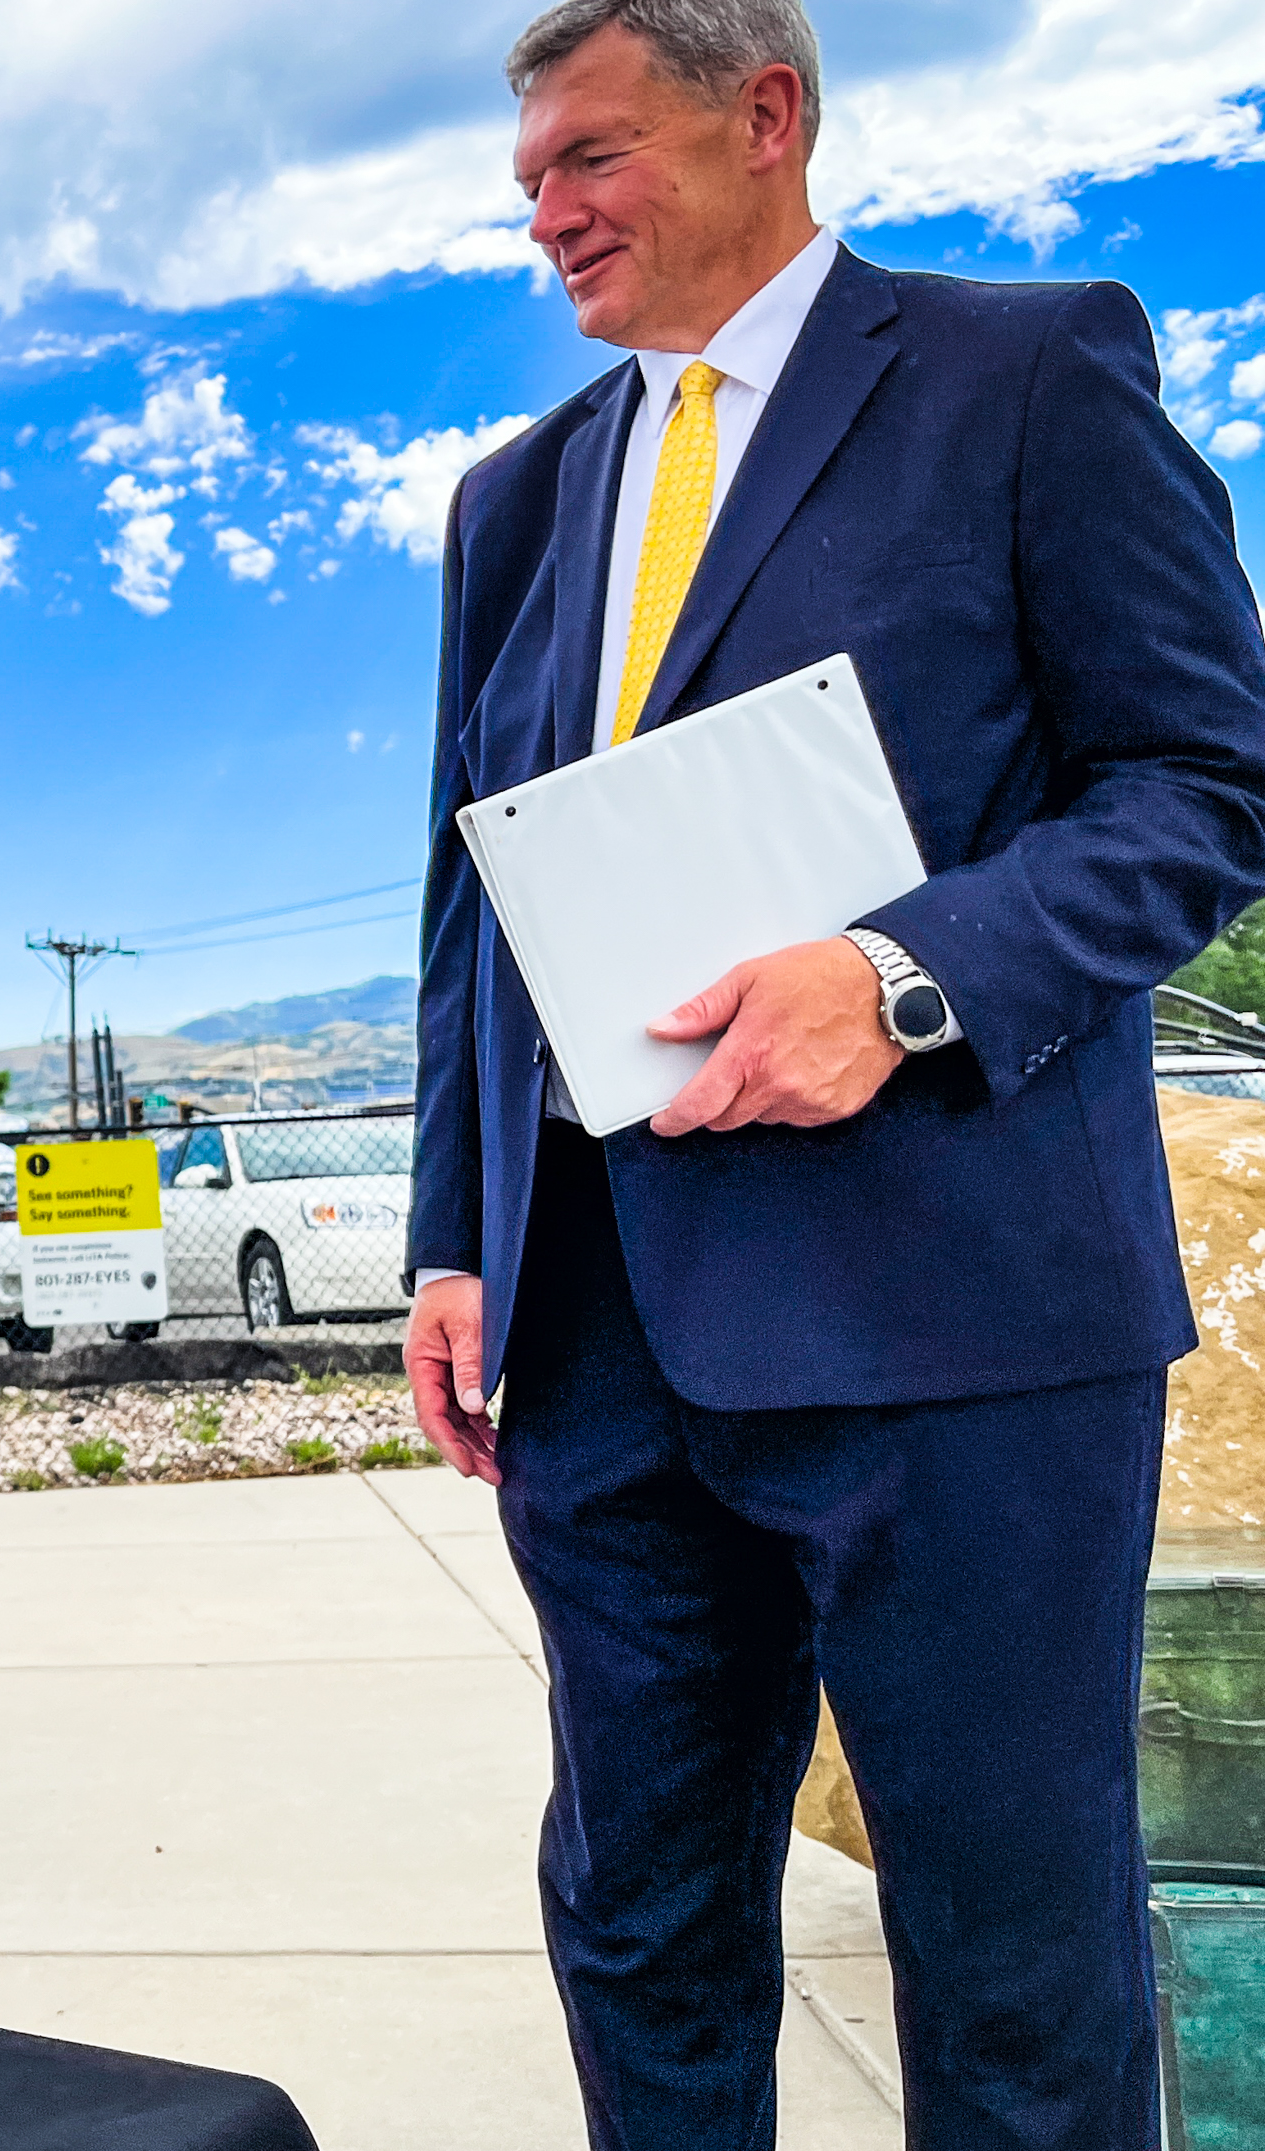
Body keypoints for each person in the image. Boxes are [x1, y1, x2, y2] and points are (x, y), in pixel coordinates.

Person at [405, 3, 1265, 2142]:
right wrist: (446, 1242)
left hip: (956, 1323)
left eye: (587, 158)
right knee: (633, 1921)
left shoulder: (1023, 372)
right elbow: (464, 910)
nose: (547, 216)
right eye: (525, 179)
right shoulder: (510, 505)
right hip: (600, 1336)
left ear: (762, 113)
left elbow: (1198, 777)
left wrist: (893, 977)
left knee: (1004, 1950)